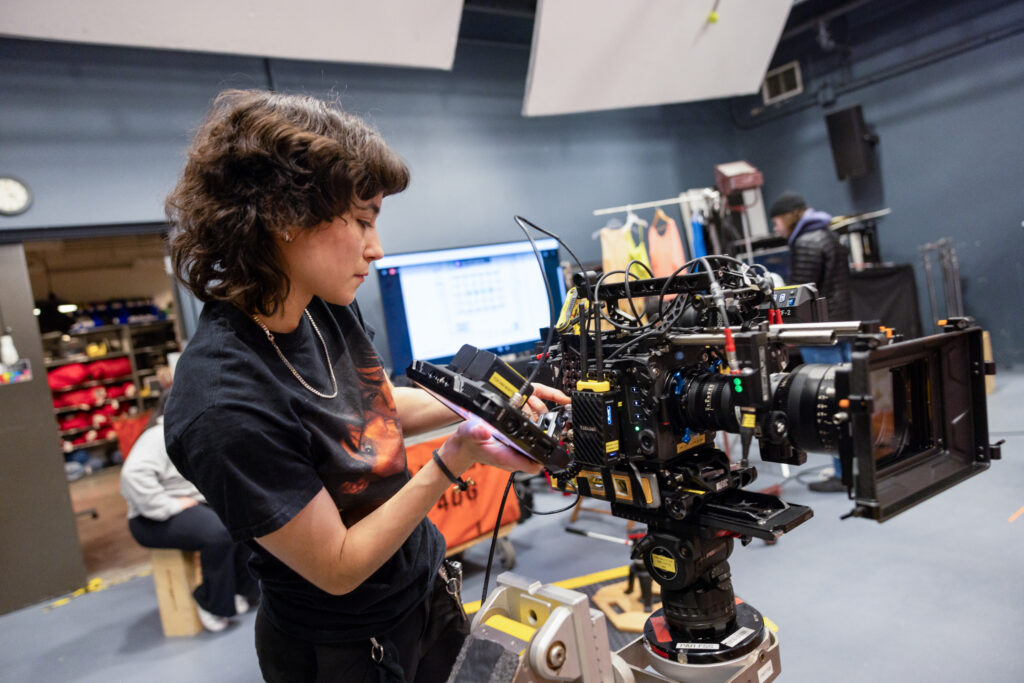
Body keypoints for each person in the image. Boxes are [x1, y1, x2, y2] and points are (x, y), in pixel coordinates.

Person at [162, 89, 568, 682]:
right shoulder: (223, 405)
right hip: (342, 651)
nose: (376, 249)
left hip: (423, 592)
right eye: (360, 221)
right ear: (281, 214)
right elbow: (338, 564)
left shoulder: (320, 305)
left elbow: (371, 413)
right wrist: (457, 458)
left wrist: (484, 404)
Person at [120, 394, 259, 632]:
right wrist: (168, 506)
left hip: (189, 505)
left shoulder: (190, 429)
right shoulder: (157, 436)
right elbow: (132, 476)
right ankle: (212, 602)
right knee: (219, 534)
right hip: (150, 519)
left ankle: (241, 589)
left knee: (245, 519)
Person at [770, 191, 852, 492]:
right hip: (841, 329)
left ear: (790, 215)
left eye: (777, 221)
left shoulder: (805, 242)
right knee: (850, 398)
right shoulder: (830, 235)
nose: (776, 228)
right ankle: (859, 467)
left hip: (818, 335)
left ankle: (844, 474)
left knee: (827, 404)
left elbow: (799, 297)